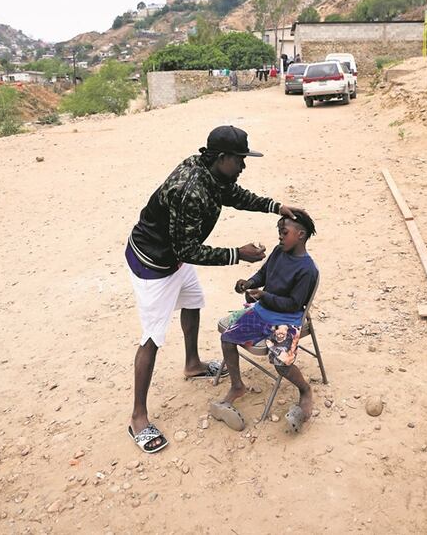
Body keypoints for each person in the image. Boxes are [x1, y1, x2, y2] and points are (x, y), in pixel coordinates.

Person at [125, 126, 305, 453]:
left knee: (193, 300)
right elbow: (187, 251)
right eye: (240, 160)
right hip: (153, 264)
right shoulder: (190, 189)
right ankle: (138, 416)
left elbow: (234, 196)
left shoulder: (212, 174)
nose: (243, 166)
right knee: (152, 337)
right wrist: (238, 254)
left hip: (176, 257)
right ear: (222, 158)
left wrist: (274, 207)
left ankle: (192, 363)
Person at [211, 212, 319, 434]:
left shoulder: (308, 270)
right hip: (262, 313)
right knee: (227, 339)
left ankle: (305, 390)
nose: (280, 237)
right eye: (279, 232)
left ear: (300, 235)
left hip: (286, 321)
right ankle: (237, 386)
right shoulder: (279, 252)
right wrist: (249, 283)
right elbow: (263, 274)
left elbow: (293, 304)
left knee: (281, 364)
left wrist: (263, 296)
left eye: (284, 233)